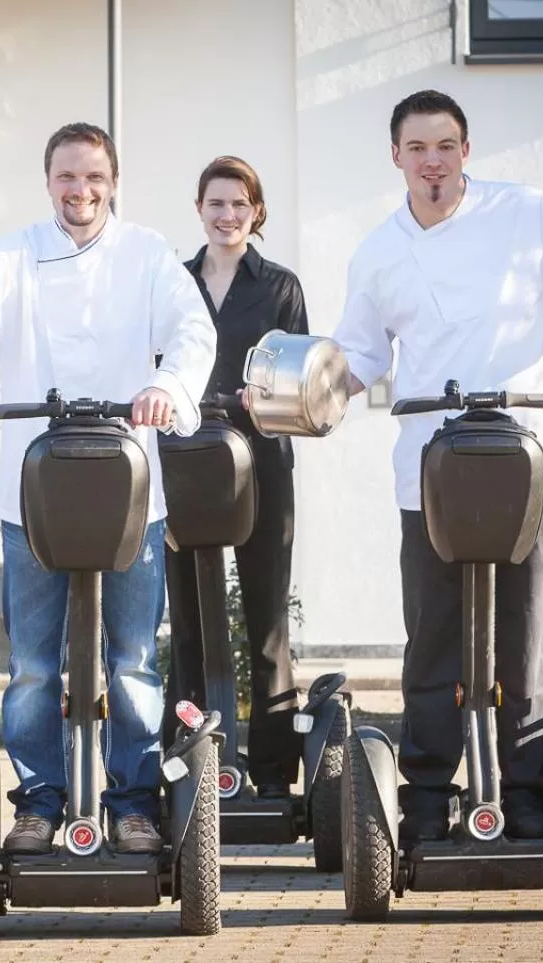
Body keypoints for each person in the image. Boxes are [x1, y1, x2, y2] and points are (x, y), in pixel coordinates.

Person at [329, 90, 543, 841]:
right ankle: (429, 791)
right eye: (417, 149)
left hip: (528, 458)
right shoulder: (379, 251)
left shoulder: (525, 212)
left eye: (445, 146)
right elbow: (361, 353)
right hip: (431, 470)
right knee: (433, 631)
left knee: (526, 630)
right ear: (395, 157)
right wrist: (318, 383)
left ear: (466, 152)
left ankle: (526, 789)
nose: (431, 161)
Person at [0, 122, 217, 855]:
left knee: (131, 660)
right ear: (49, 181)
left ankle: (131, 801)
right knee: (32, 664)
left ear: (112, 181)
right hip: (33, 493)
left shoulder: (147, 253)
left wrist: (166, 384)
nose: (80, 190)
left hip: (128, 493)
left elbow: (193, 330)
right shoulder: (18, 250)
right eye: (66, 176)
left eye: (92, 176)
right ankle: (39, 801)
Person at [164, 156, 309, 799]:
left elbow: (299, 379)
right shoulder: (173, 281)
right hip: (188, 465)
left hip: (262, 468)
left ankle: (274, 775)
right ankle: (188, 763)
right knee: (190, 623)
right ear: (199, 209)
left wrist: (264, 400)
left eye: (240, 204)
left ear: (256, 211)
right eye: (216, 204)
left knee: (266, 619)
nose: (228, 216)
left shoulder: (279, 285)